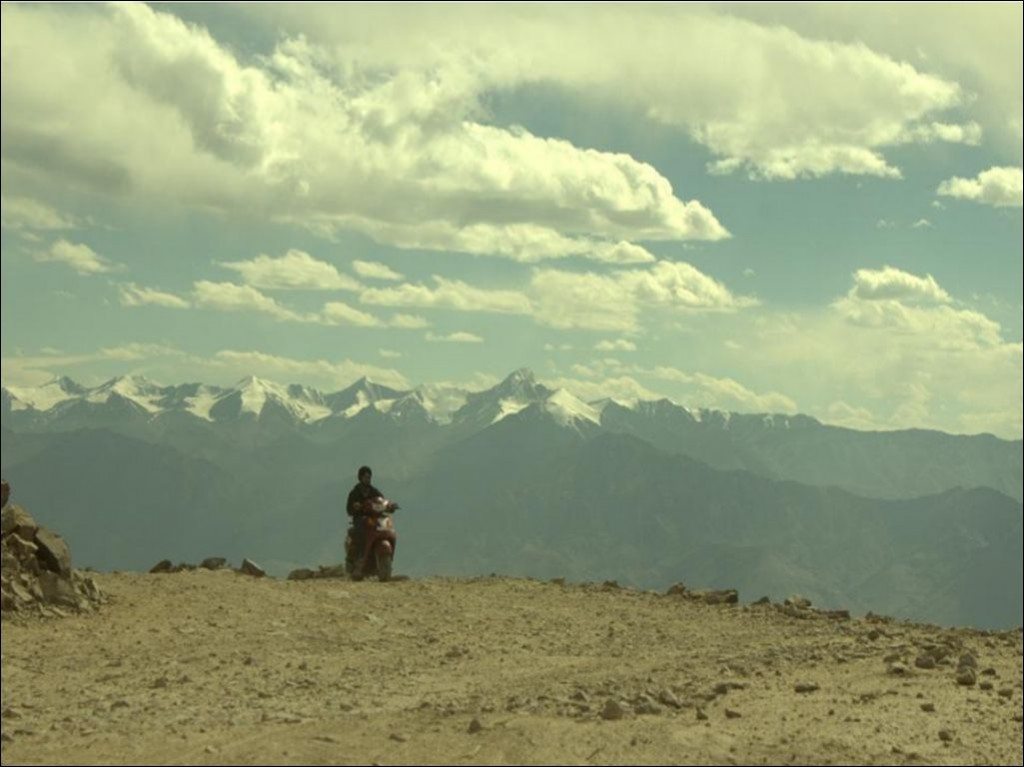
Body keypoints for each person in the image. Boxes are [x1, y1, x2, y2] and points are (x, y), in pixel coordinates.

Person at [346, 466, 383, 576]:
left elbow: (382, 500)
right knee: (360, 535)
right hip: (360, 519)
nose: (368, 479)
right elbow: (348, 508)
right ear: (360, 477)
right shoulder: (355, 492)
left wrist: (389, 505)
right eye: (366, 477)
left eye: (369, 477)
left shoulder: (373, 491)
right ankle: (357, 561)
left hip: (373, 519)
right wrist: (355, 507)